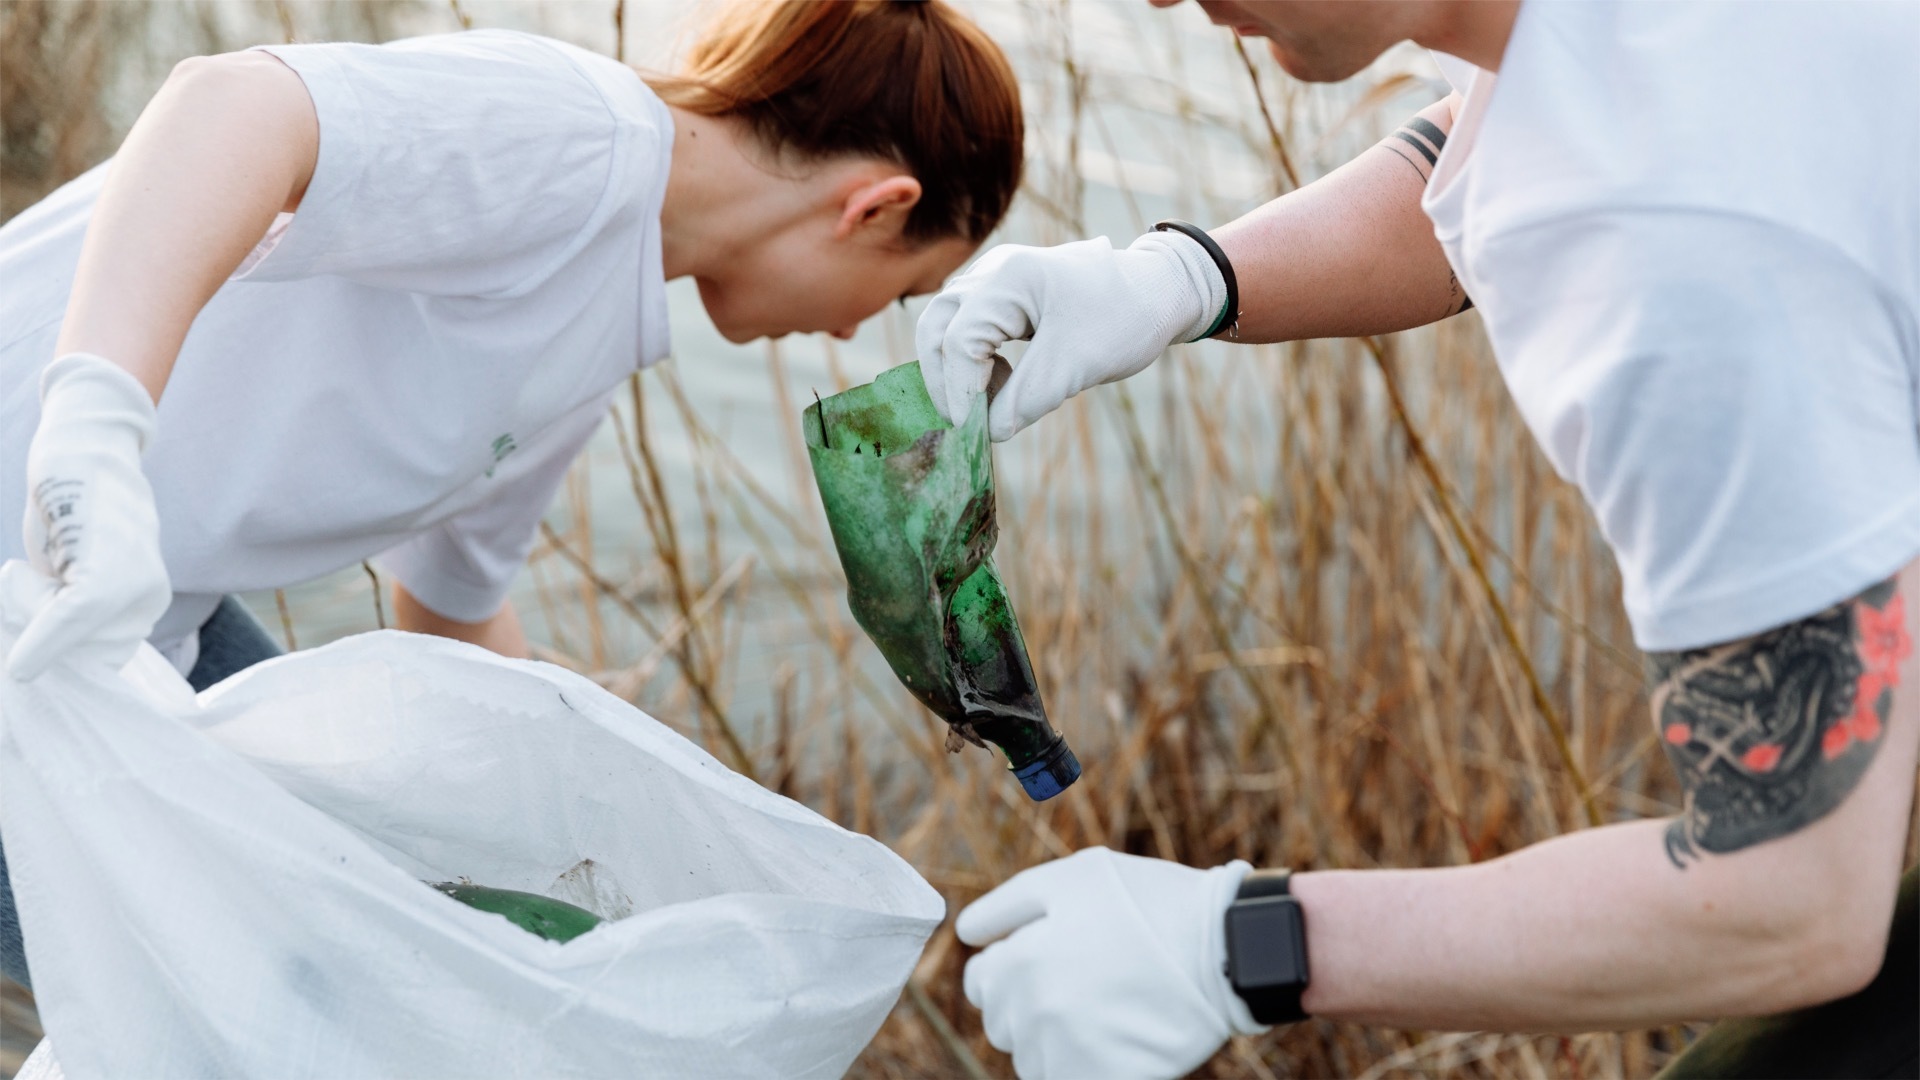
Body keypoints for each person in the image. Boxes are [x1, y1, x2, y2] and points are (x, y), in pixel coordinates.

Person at [923, 1, 1920, 1077]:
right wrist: (1181, 279)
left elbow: (1791, 903)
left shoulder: (1681, 254)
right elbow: (1514, 132)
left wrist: (1241, 946)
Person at [0, 0, 1022, 991]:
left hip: (121, 626)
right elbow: (233, 104)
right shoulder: (580, 137)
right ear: (876, 206)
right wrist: (95, 420)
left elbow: (448, 603)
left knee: (370, 940)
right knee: (281, 979)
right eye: (900, 294)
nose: (856, 333)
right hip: (35, 571)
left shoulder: (599, 326)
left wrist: (598, 788)